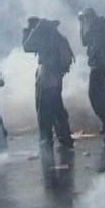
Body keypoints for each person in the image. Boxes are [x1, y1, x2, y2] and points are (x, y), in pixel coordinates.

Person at [23, 17, 75, 150]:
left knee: (44, 108)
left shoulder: (44, 38)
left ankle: (46, 139)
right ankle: (64, 137)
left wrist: (30, 32)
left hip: (46, 75)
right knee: (57, 107)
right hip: (56, 77)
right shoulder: (59, 38)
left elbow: (27, 46)